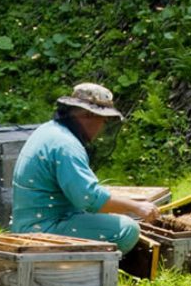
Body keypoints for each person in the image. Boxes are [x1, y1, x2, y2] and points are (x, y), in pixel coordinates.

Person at [10, 83, 159, 253]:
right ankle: (84, 273)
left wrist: (128, 202)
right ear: (88, 115)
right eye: (102, 120)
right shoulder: (67, 146)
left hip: (29, 224)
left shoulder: (49, 130)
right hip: (44, 230)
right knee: (127, 229)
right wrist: (136, 207)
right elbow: (89, 199)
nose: (102, 126)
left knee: (108, 215)